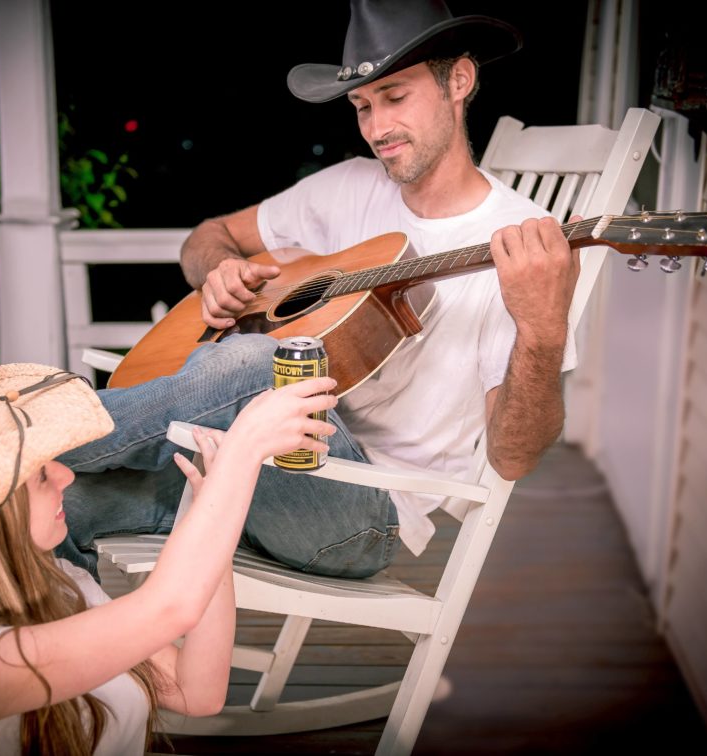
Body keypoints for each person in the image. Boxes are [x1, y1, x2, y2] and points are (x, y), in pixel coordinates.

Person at [56, 0, 579, 580]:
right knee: (48, 508)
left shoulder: (517, 247)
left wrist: (543, 329)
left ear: (459, 79)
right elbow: (210, 235)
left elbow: (514, 457)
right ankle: (89, 662)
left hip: (356, 512)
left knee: (270, 363)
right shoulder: (349, 186)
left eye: (396, 97)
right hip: (245, 469)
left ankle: (31, 434)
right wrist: (219, 271)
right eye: (362, 106)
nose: (377, 129)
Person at [0, 362, 337, 754]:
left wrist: (205, 513)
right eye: (40, 474)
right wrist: (243, 451)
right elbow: (170, 608)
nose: (66, 477)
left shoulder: (65, 583)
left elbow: (196, 692)